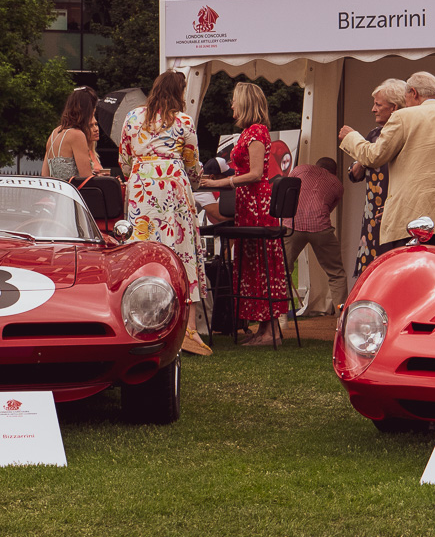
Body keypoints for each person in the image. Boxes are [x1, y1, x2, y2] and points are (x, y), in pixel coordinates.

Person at [338, 71, 435, 253]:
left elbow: (375, 156)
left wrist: (352, 138)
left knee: (410, 278)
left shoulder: (403, 117)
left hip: (408, 221)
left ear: (413, 92)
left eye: (406, 97)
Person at [117, 70, 210, 356]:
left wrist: (141, 172)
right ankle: (189, 329)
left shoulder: (133, 118)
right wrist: (194, 175)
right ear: (178, 92)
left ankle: (140, 320)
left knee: (142, 251)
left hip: (142, 187)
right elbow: (193, 163)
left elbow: (123, 159)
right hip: (172, 189)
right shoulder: (183, 121)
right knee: (182, 251)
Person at [199, 81, 288, 347]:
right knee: (253, 264)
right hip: (248, 202)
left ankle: (270, 330)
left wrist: (218, 184)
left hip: (257, 203)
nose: (232, 105)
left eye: (235, 100)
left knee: (260, 263)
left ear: (246, 103)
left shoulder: (257, 131)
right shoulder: (251, 131)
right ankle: (264, 328)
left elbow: (256, 174)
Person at [347, 79, 408, 276]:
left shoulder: (407, 135)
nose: (373, 109)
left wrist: (355, 140)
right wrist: (367, 154)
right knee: (371, 273)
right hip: (372, 218)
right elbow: (354, 174)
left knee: (395, 271)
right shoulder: (374, 135)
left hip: (398, 215)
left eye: (378, 104)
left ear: (394, 108)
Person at [284, 157, 346, 314]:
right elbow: (330, 207)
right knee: (336, 274)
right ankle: (342, 318)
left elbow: (286, 191)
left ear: (316, 165)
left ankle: (280, 319)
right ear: (335, 171)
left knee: (282, 271)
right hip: (320, 228)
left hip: (292, 225)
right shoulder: (337, 184)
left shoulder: (300, 169)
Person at [41, 88, 97, 180]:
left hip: (57, 192)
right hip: (74, 192)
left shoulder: (54, 133)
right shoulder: (77, 135)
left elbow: (45, 174)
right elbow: (86, 178)